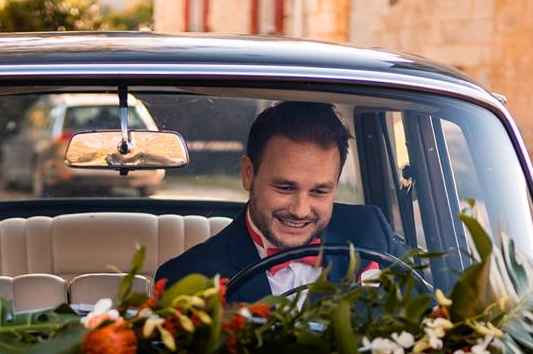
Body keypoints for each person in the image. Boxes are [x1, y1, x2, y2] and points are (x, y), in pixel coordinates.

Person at [154, 101, 399, 298]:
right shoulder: (187, 278)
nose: (301, 210)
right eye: (284, 187)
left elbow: (431, 314)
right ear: (248, 174)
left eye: (319, 191)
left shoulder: (370, 231)